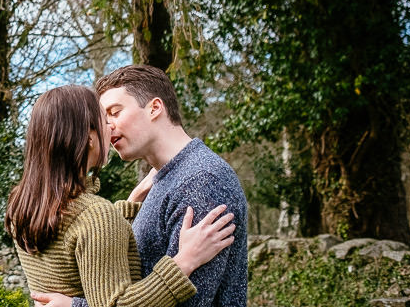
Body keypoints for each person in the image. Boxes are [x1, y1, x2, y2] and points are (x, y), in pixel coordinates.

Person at [34, 66, 249, 307]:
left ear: (155, 108)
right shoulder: (162, 180)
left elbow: (188, 302)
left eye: (114, 113)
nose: (107, 127)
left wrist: (76, 306)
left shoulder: (201, 181)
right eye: (103, 120)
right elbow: (119, 269)